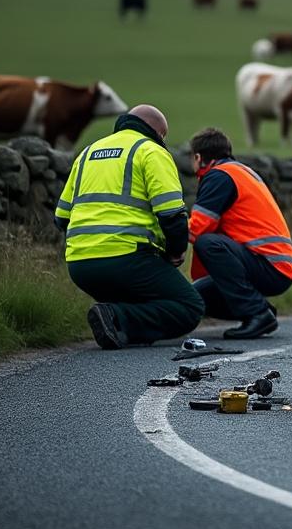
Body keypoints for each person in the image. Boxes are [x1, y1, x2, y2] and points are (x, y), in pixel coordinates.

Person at [55, 104, 203, 349]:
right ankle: (117, 318)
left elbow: (61, 218)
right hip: (127, 258)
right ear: (157, 133)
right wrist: (175, 251)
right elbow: (172, 215)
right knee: (190, 306)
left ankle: (114, 323)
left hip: (80, 266)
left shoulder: (88, 152)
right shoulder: (149, 151)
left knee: (136, 298)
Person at [187, 127, 292, 339]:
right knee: (194, 297)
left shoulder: (218, 176)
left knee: (208, 243)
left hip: (269, 266)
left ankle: (256, 313)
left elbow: (196, 230)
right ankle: (262, 311)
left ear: (199, 158)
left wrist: (162, 235)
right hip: (273, 265)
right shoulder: (238, 172)